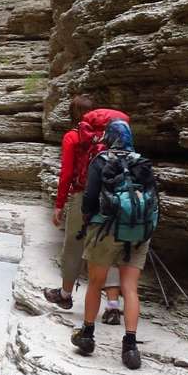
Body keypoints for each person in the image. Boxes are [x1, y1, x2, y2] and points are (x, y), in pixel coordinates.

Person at [71, 119, 159, 370]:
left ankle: (87, 335)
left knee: (96, 282)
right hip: (137, 232)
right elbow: (153, 199)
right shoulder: (142, 162)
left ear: (110, 137)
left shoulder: (101, 161)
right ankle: (130, 347)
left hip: (105, 230)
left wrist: (88, 220)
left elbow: (90, 197)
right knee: (130, 288)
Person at [43, 96, 128, 317]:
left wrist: (59, 204)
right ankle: (112, 306)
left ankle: (65, 294)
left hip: (82, 196)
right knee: (108, 248)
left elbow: (66, 174)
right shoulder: (113, 135)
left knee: (74, 244)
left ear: (72, 114)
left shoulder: (73, 136)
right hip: (112, 197)